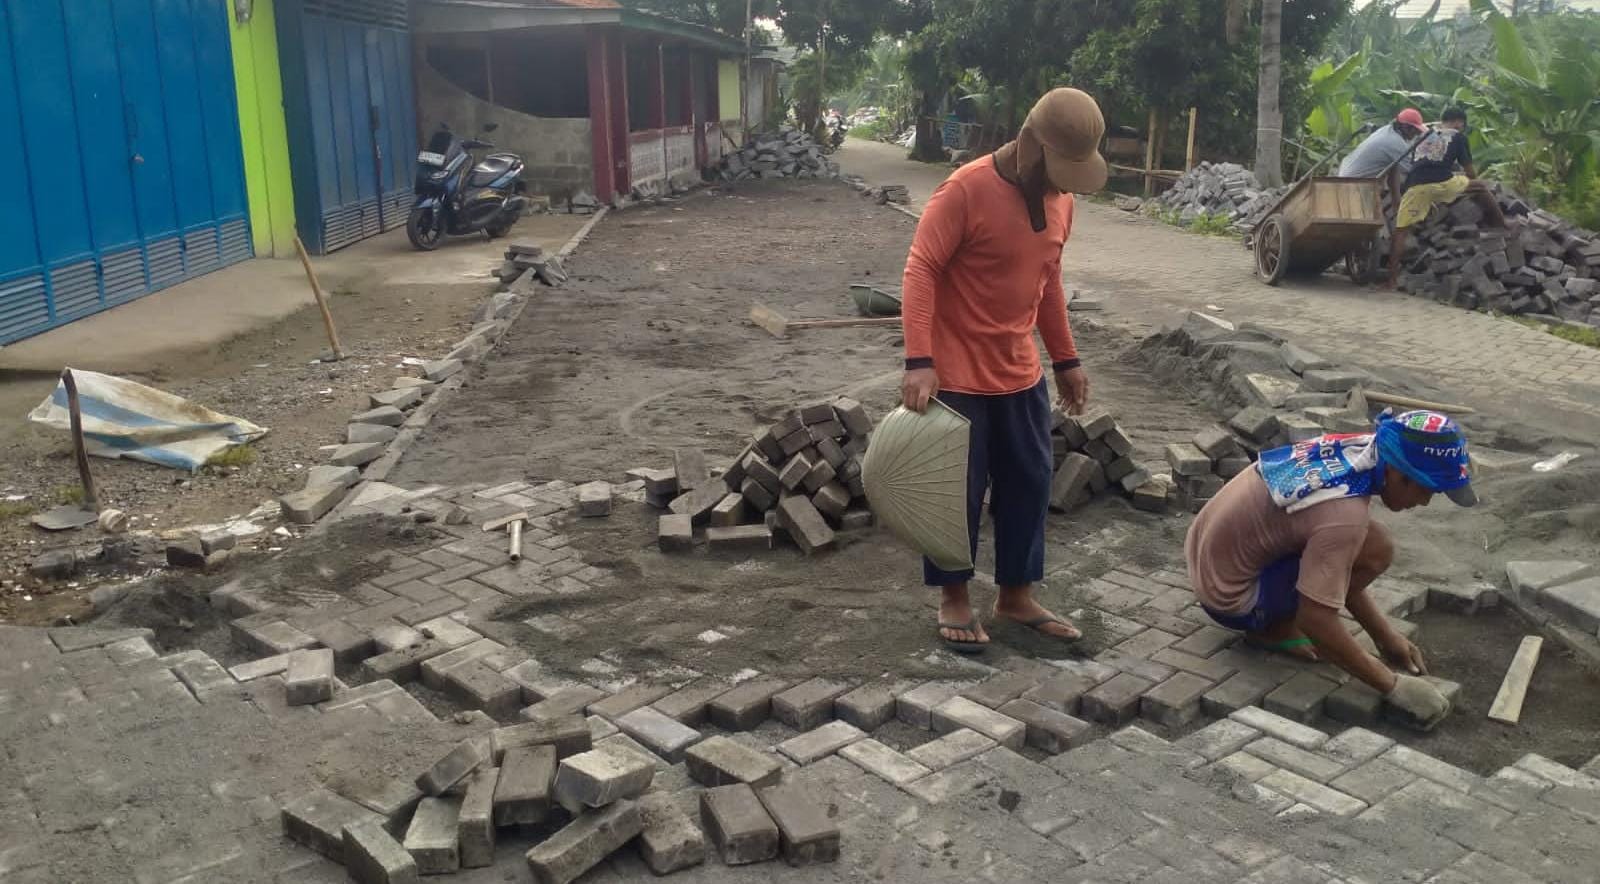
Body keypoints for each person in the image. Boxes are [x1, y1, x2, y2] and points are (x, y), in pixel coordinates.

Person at [899, 87, 1106, 653]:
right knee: (957, 495)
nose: (1063, 185)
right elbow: (921, 269)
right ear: (1031, 144)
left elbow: (1049, 280)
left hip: (1020, 374)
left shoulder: (1063, 201)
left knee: (1030, 484)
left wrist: (1066, 359)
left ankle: (1016, 594)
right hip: (956, 378)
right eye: (1060, 170)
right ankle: (954, 597)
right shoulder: (965, 190)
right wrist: (919, 361)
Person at [1185, 410, 1477, 730]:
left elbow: (1339, 564)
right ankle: (1271, 630)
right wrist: (1393, 686)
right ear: (1398, 473)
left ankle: (1278, 614)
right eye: (1427, 489)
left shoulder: (1359, 449)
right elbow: (1315, 620)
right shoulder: (1344, 514)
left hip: (1209, 558)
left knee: (1373, 544)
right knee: (1361, 546)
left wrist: (1385, 636)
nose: (1425, 502)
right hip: (1231, 599)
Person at [1385, 106, 1508, 288]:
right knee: (1480, 186)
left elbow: (1419, 163)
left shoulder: (1424, 135)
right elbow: (1470, 172)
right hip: (1442, 182)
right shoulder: (1458, 137)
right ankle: (1502, 225)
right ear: (1460, 123)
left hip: (1414, 186)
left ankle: (1391, 280)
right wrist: (1468, 181)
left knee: (1401, 231)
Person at [1337, 108, 1425, 179]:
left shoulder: (1386, 130)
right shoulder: (1395, 142)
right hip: (1355, 182)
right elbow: (1413, 169)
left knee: (1394, 168)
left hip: (1344, 174)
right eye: (1416, 130)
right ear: (1405, 127)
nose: (1417, 134)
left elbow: (1394, 169)